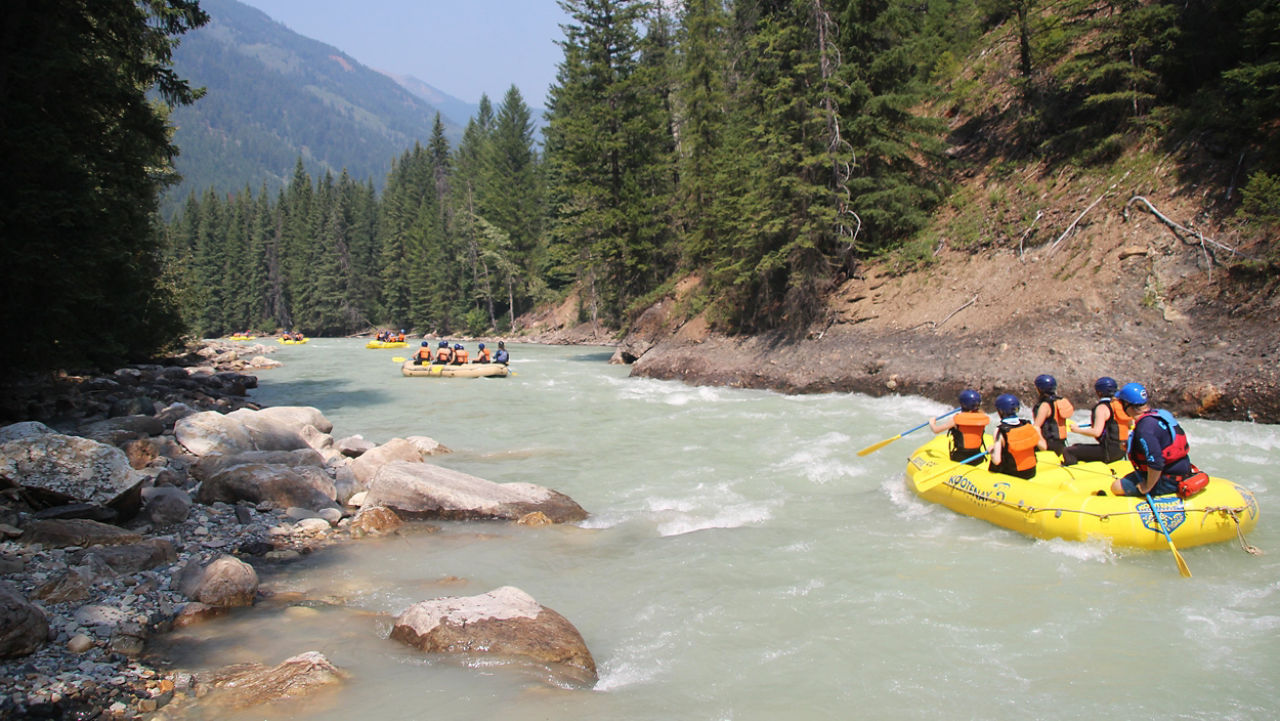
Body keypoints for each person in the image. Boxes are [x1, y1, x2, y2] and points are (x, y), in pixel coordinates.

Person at [1109, 383, 1195, 497]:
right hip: (1183, 471)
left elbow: (1156, 462)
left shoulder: (1144, 428)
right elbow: (1162, 441)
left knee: (1116, 487)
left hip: (1169, 479)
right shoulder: (1160, 414)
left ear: (1127, 404)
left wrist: (1147, 487)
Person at [1063, 377, 1129, 465]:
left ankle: (1073, 475)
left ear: (1099, 392)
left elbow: (1096, 432)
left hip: (1108, 451)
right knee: (1078, 447)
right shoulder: (1121, 406)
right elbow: (1128, 424)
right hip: (1122, 451)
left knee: (1069, 451)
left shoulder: (1102, 408)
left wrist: (1077, 430)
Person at [988, 394, 1047, 479]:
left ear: (1000, 411)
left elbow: (997, 461)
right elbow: (1043, 447)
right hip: (1031, 472)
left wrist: (991, 451)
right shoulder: (1027, 425)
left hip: (1013, 474)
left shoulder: (1000, 431)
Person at [928, 389, 988, 463]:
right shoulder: (982, 417)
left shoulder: (956, 419)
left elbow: (936, 430)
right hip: (978, 457)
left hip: (961, 458)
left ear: (962, 404)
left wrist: (932, 423)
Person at [1030, 374, 1073, 456]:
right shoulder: (1060, 401)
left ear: (1039, 389)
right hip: (1061, 444)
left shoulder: (1045, 406)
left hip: (1049, 445)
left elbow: (1036, 427)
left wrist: (1043, 447)